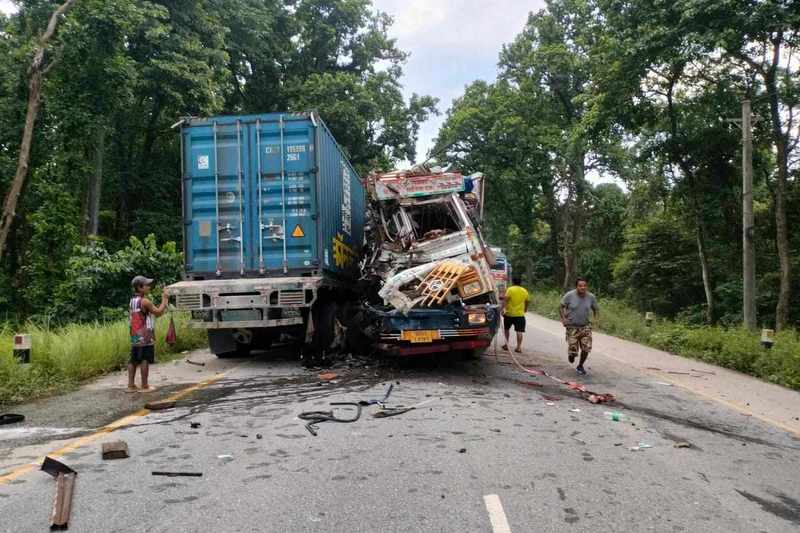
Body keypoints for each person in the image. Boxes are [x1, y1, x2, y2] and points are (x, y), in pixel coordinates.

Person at [128, 275, 169, 393]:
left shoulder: (132, 301)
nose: (149, 287)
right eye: (146, 285)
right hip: (145, 335)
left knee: (133, 359)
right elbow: (158, 312)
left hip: (135, 334)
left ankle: (131, 385)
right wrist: (165, 299)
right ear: (140, 288)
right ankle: (145, 386)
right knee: (145, 359)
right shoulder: (145, 301)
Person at [560, 277, 599, 376]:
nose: (583, 288)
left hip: (585, 327)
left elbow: (596, 310)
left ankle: (580, 365)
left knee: (586, 348)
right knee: (573, 351)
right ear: (576, 286)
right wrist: (564, 319)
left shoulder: (591, 297)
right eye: (580, 286)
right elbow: (561, 306)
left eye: (585, 286)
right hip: (572, 327)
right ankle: (571, 354)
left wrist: (595, 321)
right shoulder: (569, 295)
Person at [501, 277, 529, 353]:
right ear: (520, 283)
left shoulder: (510, 289)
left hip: (509, 314)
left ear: (513, 282)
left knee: (506, 329)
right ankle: (519, 347)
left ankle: (506, 345)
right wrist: (525, 309)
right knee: (519, 331)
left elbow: (505, 300)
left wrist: (502, 309)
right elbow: (527, 301)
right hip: (520, 315)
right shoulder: (524, 291)